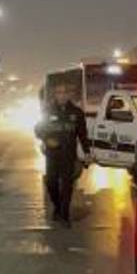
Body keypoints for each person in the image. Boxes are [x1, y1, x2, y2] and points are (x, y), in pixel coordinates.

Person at [34, 83, 91, 227]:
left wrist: (87, 152)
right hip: (52, 155)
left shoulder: (77, 113)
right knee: (51, 182)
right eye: (59, 93)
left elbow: (83, 134)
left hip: (68, 154)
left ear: (69, 95)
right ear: (55, 95)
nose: (62, 95)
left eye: (64, 92)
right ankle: (58, 207)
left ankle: (64, 215)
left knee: (67, 184)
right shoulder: (47, 111)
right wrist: (47, 139)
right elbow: (38, 130)